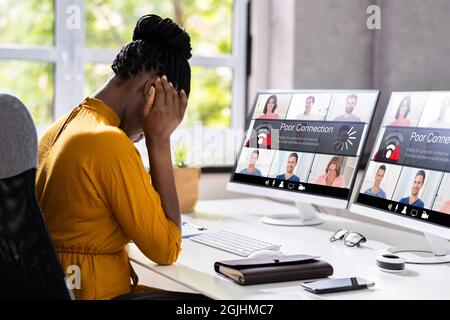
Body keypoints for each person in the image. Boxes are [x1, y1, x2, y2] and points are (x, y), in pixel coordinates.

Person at [35, 15, 206, 300]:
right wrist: (160, 140)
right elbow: (166, 249)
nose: (141, 134)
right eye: (167, 109)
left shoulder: (62, 126)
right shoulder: (107, 142)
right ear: (153, 89)